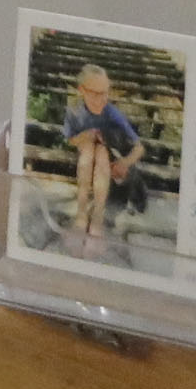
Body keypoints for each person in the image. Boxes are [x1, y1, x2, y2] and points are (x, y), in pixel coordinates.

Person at [60, 63, 143, 250]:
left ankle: (97, 215)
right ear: (82, 90)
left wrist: (125, 162)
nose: (101, 99)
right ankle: (82, 213)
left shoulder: (111, 112)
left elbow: (139, 147)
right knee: (89, 152)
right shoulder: (74, 111)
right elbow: (71, 139)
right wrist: (85, 136)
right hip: (85, 151)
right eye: (95, 93)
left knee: (101, 154)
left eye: (105, 93)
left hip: (108, 155)